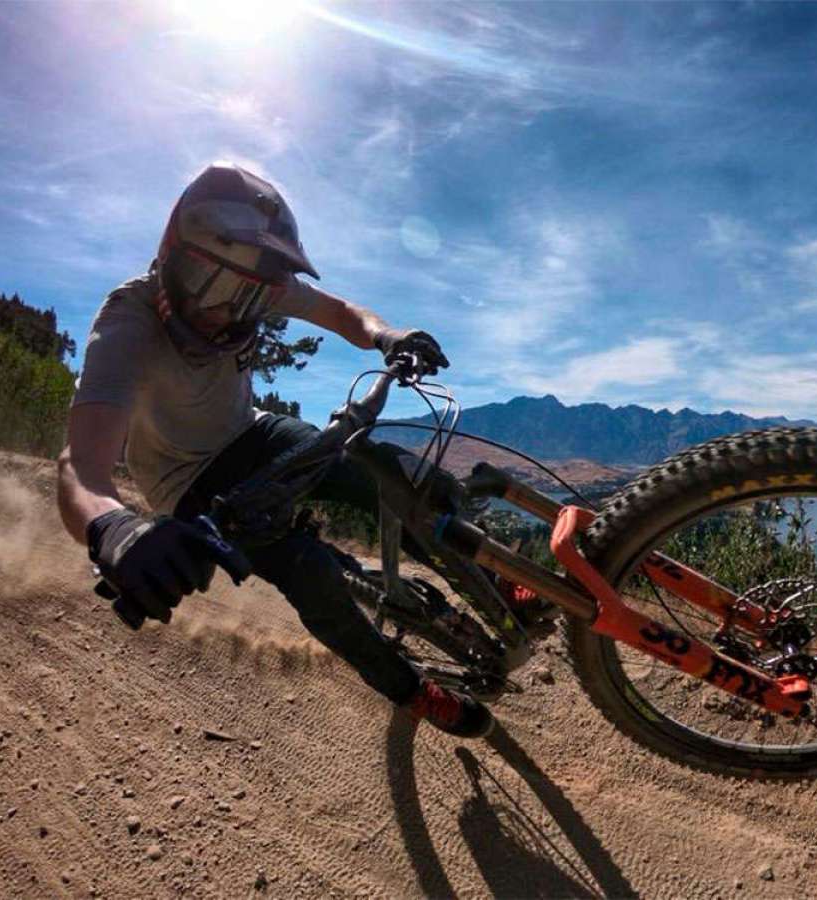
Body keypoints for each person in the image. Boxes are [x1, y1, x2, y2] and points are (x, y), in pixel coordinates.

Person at [57, 162, 495, 737]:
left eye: (249, 299)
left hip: (254, 433)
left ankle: (487, 573)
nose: (229, 312)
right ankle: (413, 692)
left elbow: (340, 313)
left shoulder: (246, 281)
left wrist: (387, 334)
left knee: (384, 469)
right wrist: (114, 528)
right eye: (218, 287)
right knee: (310, 574)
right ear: (174, 254)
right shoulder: (127, 321)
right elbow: (80, 465)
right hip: (189, 485)